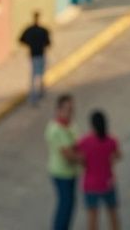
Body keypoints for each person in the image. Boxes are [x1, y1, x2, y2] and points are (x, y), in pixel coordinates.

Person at [75, 110, 122, 230]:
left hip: (90, 184)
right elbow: (118, 155)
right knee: (113, 215)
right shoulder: (111, 141)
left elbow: (77, 154)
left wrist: (83, 162)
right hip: (107, 181)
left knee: (92, 219)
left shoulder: (85, 141)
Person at [46, 94, 81, 230]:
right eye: (67, 109)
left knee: (69, 204)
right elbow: (68, 154)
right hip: (61, 173)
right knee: (65, 205)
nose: (70, 113)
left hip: (71, 172)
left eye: (72, 109)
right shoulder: (55, 130)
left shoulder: (69, 125)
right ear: (59, 110)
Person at [20, 11, 52, 105]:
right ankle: (37, 94)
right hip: (38, 55)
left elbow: (21, 40)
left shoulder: (31, 30)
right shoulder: (42, 30)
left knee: (36, 76)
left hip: (36, 55)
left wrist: (30, 45)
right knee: (38, 75)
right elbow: (48, 43)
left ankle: (37, 94)